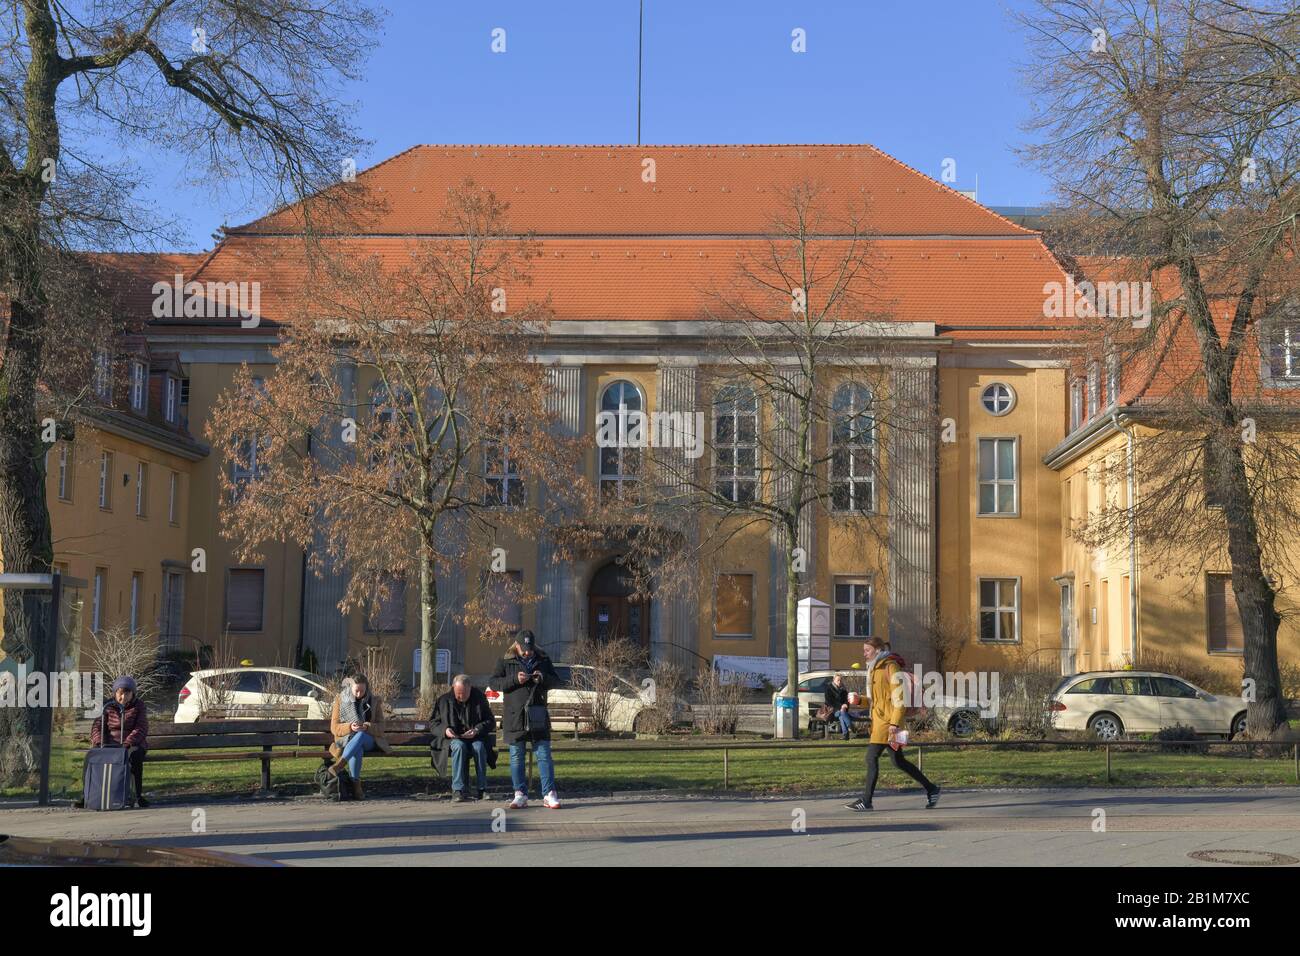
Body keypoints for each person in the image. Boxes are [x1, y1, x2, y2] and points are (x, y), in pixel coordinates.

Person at [845, 637, 940, 812]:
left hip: (888, 724)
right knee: (899, 761)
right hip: (881, 721)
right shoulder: (874, 669)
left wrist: (895, 724)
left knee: (871, 757)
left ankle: (866, 801)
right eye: (864, 650)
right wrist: (859, 700)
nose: (864, 653)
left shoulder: (890, 667)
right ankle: (932, 788)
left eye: (867, 650)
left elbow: (900, 699)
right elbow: (876, 700)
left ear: (878, 650)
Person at [491, 629, 561, 809]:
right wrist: (515, 679)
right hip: (515, 716)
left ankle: (549, 794)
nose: (527, 652)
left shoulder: (543, 659)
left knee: (544, 755)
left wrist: (542, 678)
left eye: (529, 648)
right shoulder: (505, 661)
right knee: (516, 756)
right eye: (524, 649)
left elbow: (556, 681)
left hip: (537, 715)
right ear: (516, 645)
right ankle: (520, 794)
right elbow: (494, 683)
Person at [80, 675, 150, 808]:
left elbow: (141, 728)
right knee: (90, 757)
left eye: (127, 693)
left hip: (131, 743)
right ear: (115, 693)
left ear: (132, 693)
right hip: (109, 743)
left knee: (134, 756)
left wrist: (127, 743)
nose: (123, 697)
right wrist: (100, 742)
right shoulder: (108, 706)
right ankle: (87, 795)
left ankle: (138, 796)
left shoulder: (139, 706)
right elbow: (97, 726)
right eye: (120, 693)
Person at [429, 674, 497, 801]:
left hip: (476, 738)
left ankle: (482, 789)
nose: (461, 697)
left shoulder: (479, 698)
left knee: (479, 747)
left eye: (464, 693)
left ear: (470, 688)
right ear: (453, 687)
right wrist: (445, 730)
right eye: (458, 693)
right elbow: (433, 724)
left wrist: (477, 730)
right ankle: (457, 790)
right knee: (459, 747)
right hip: (452, 739)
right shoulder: (443, 700)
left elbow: (490, 721)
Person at [328, 673, 389, 800]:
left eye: (362, 691)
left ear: (367, 688)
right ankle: (356, 786)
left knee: (360, 735)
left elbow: (382, 727)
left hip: (370, 740)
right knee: (357, 749)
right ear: (350, 688)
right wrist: (350, 727)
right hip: (347, 739)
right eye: (356, 690)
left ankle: (339, 766)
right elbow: (334, 728)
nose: (359, 694)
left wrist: (367, 726)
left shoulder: (374, 701)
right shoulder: (340, 700)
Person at [824, 674, 862, 740]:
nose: (839, 682)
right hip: (832, 711)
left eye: (840, 680)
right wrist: (841, 706)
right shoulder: (828, 689)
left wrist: (845, 705)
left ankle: (846, 735)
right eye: (838, 680)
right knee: (842, 713)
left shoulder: (843, 690)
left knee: (842, 715)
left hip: (842, 710)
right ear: (833, 680)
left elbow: (847, 700)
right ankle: (850, 725)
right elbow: (829, 702)